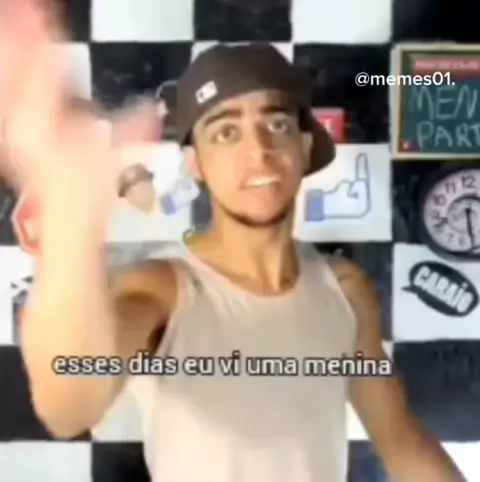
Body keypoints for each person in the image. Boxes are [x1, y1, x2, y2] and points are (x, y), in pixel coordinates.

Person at [0, 2, 465, 482]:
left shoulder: (346, 291)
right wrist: (71, 217)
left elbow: (401, 441)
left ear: (305, 146)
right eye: (226, 132)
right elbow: (69, 406)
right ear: (196, 164)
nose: (258, 150)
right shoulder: (164, 290)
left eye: (276, 124)